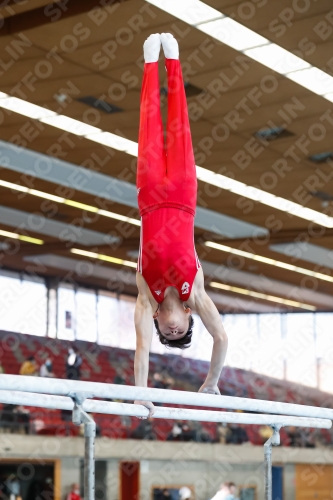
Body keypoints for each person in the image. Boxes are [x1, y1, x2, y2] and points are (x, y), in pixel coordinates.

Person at [134, 33, 228, 416]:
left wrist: (140, 394)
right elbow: (220, 337)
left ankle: (149, 64)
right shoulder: (197, 293)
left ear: (158, 320)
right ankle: (173, 63)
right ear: (189, 318)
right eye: (182, 332)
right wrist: (211, 382)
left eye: (168, 334)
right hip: (185, 196)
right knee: (180, 127)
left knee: (149, 125)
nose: (174, 332)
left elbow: (142, 349)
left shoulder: (145, 297)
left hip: (150, 196)